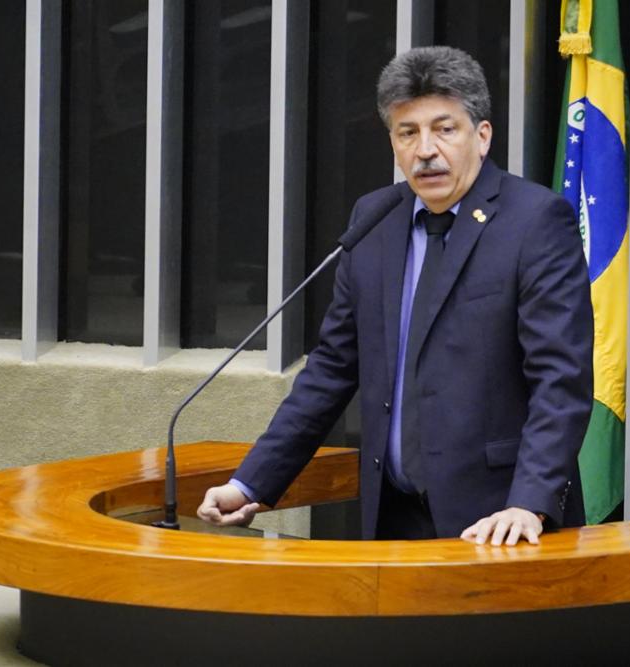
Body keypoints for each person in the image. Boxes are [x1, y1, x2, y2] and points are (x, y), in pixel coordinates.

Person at [197, 46, 593, 546]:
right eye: (408, 133)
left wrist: (528, 503)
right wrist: (250, 482)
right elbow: (331, 370)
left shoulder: (535, 221)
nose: (426, 149)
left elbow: (562, 380)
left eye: (444, 129)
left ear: (483, 136)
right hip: (394, 517)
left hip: (502, 521)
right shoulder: (375, 219)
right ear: (393, 143)